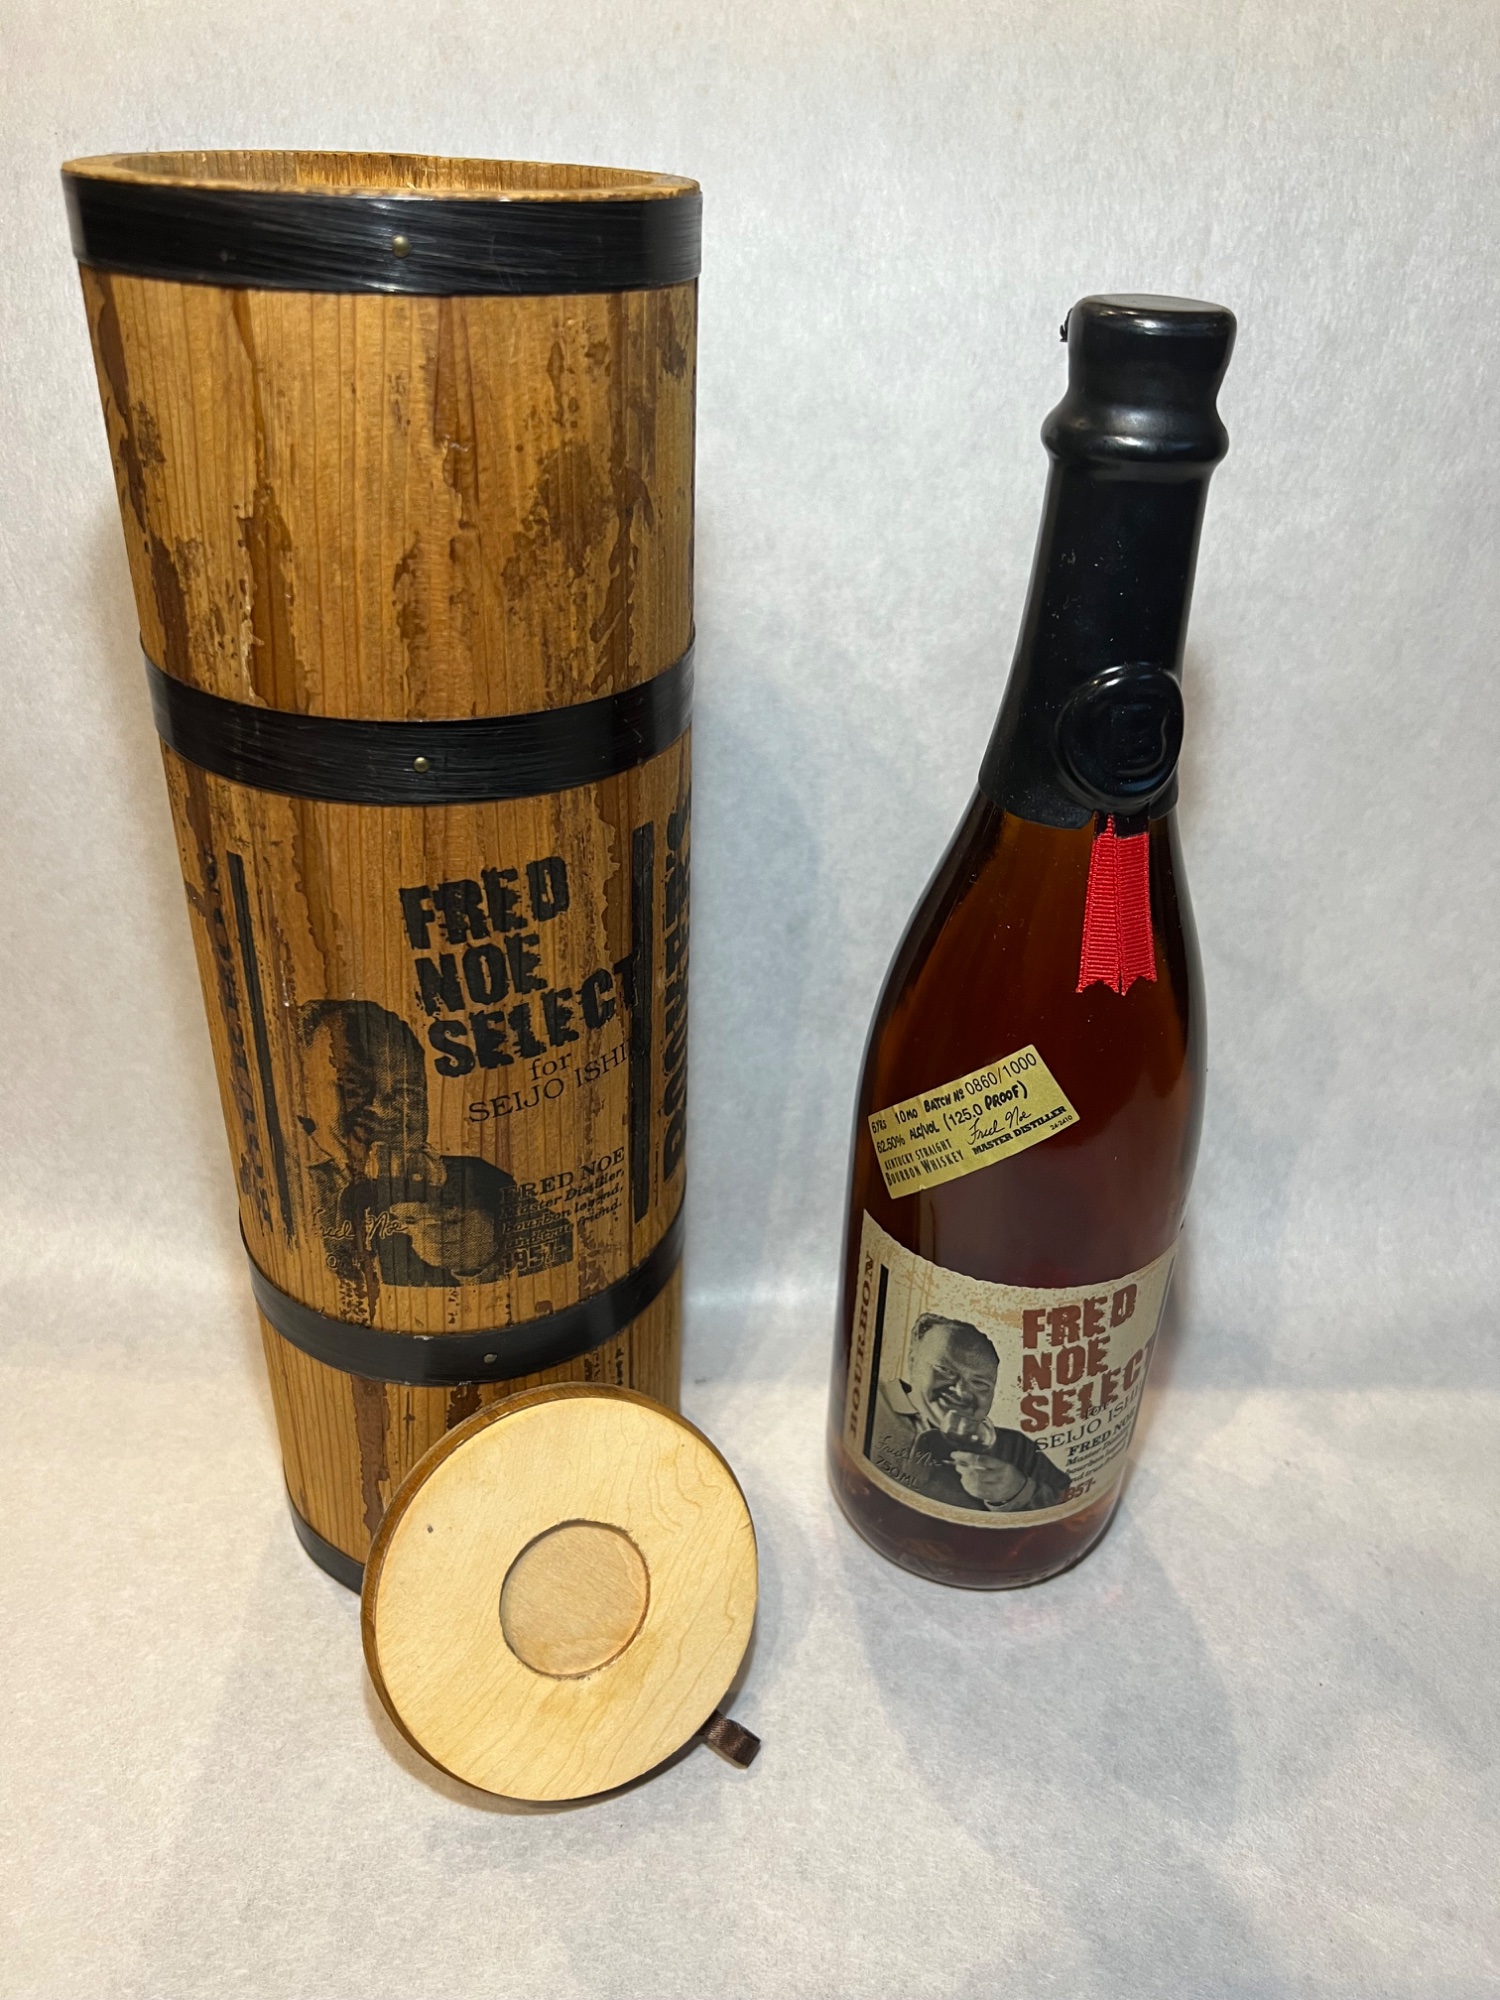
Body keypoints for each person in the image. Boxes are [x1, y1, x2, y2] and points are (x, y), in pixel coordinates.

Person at [298, 999, 572, 1287]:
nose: (384, 1110)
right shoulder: (297, 1193)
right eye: (356, 1088)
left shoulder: (481, 1182)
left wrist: (484, 1256)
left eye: (406, 1092)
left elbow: (573, 1250)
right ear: (305, 1099)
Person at [869, 1312, 1069, 1513]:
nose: (962, 1392)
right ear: (912, 1361)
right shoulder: (873, 1399)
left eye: (980, 1383)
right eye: (945, 1370)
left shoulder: (1017, 1447)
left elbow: (1067, 1501)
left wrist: (1018, 1492)